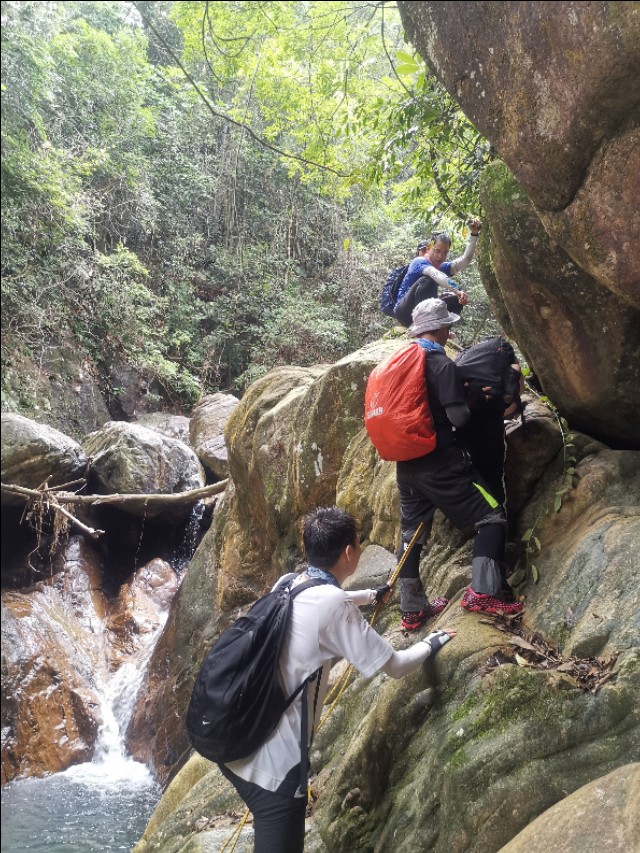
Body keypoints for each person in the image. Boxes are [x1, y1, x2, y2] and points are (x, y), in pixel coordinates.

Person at [219, 506, 457, 852]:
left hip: (236, 741)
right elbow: (395, 666)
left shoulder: (290, 582)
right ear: (349, 552)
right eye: (359, 544)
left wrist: (369, 596)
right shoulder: (332, 604)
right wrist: (433, 642)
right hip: (274, 769)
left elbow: (323, 601)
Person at [394, 298, 524, 632]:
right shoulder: (439, 363)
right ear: (439, 328)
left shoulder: (402, 360)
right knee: (492, 516)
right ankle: (484, 593)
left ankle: (412, 610)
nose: (450, 331)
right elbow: (459, 418)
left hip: (405, 464)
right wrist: (477, 399)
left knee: (411, 534)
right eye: (447, 326)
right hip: (439, 463)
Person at [393, 219, 482, 327]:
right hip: (405, 312)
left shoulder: (441, 266)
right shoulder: (419, 262)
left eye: (445, 252)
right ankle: (422, 327)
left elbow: (465, 260)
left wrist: (474, 234)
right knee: (428, 280)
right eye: (437, 251)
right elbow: (435, 274)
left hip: (426, 311)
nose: (440, 256)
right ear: (428, 248)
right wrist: (457, 290)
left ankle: (442, 330)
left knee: (455, 299)